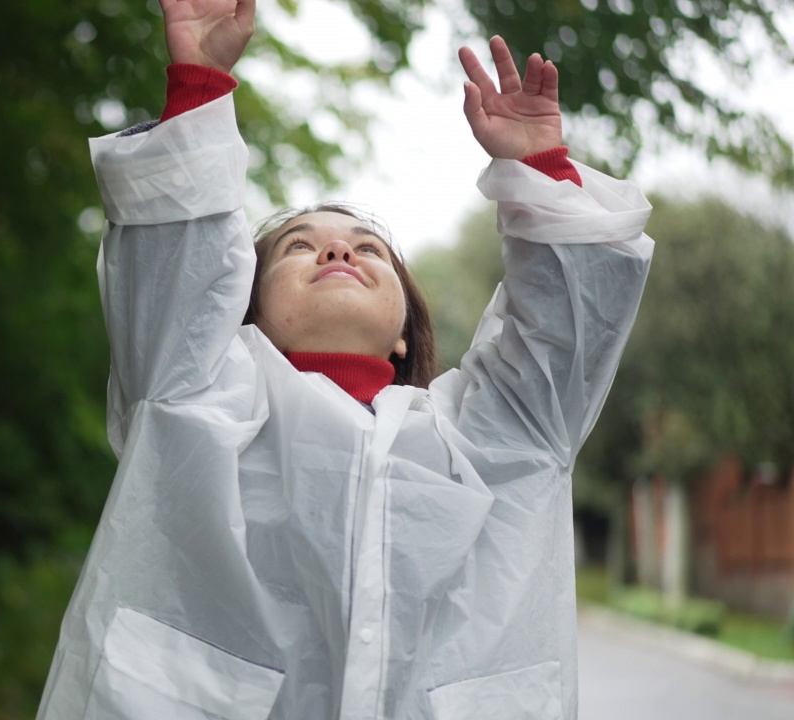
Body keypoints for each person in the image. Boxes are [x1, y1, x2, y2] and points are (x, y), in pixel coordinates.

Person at [38, 1, 653, 718]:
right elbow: (178, 272)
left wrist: (540, 168)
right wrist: (200, 83)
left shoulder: (500, 437)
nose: (337, 250)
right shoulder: (191, 394)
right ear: (246, 306)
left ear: (403, 330)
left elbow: (569, 324)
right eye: (300, 245)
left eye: (368, 248)